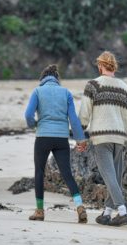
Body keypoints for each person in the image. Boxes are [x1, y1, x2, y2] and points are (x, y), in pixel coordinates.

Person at [79, 51, 127, 226]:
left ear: (100, 65)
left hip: (102, 138)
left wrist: (79, 136)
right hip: (120, 139)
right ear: (114, 66)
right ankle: (106, 214)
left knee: (109, 177)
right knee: (115, 177)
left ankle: (122, 212)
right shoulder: (124, 87)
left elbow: (84, 114)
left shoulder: (93, 85)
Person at [24, 64, 88, 223]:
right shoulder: (65, 92)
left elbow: (28, 115)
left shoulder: (38, 91)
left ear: (43, 78)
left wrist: (34, 125)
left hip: (43, 137)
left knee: (39, 172)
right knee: (67, 174)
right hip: (61, 138)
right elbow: (73, 119)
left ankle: (39, 211)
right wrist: (80, 139)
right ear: (57, 79)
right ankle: (80, 207)